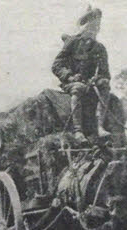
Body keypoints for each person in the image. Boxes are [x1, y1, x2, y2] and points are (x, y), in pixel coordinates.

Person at [51, 6, 110, 142]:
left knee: (105, 85)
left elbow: (105, 73)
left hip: (91, 83)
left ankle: (100, 127)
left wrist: (98, 78)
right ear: (84, 26)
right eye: (92, 25)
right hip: (72, 82)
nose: (94, 29)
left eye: (97, 26)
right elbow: (56, 65)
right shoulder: (72, 43)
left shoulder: (100, 48)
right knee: (78, 88)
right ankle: (78, 131)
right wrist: (70, 76)